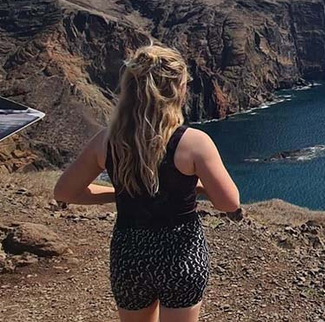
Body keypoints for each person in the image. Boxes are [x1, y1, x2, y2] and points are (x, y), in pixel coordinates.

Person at [54, 44, 240, 322]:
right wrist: (197, 189)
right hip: (180, 256)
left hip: (129, 256)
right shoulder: (194, 142)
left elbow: (65, 191)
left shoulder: (107, 140)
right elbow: (229, 202)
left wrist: (120, 194)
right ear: (177, 89)